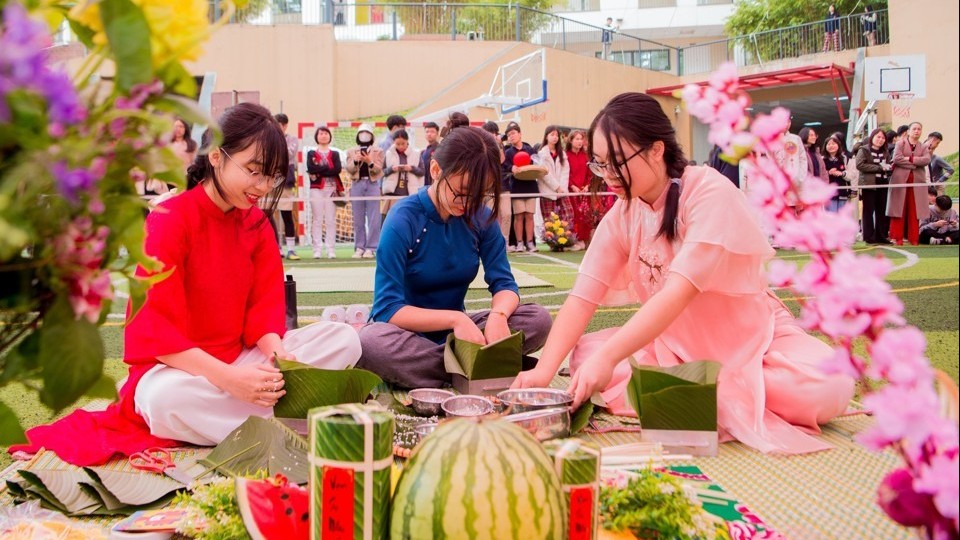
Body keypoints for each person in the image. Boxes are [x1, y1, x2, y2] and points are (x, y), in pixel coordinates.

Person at [9, 103, 362, 465]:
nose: (262, 186)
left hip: (241, 361)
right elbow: (157, 336)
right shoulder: (170, 219)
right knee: (163, 401)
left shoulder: (256, 224)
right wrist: (230, 380)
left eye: (270, 176)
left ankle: (253, 418)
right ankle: (284, 417)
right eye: (254, 171)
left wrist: (278, 355)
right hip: (179, 372)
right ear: (215, 156)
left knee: (343, 340)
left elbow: (264, 310)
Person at [511, 93, 854, 455]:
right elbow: (582, 298)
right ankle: (694, 392)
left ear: (656, 150)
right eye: (600, 164)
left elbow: (678, 292)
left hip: (754, 342)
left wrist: (610, 358)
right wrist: (544, 372)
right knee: (585, 357)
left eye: (616, 163)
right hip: (671, 349)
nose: (608, 175)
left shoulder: (707, 192)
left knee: (831, 385)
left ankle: (692, 394)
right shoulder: (623, 214)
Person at [356, 127, 552, 388]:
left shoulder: (480, 216)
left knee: (538, 319)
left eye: (479, 194)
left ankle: (455, 366)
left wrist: (498, 316)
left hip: (458, 335)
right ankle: (475, 364)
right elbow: (387, 309)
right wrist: (456, 319)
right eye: (461, 192)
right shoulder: (403, 218)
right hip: (406, 333)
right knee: (370, 343)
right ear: (436, 171)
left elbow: (505, 284)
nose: (468, 202)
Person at [888, 122, 931, 246]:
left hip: (917, 182)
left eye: (919, 129)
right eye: (914, 129)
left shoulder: (923, 146)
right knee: (898, 209)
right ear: (909, 131)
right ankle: (897, 237)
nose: (917, 131)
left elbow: (926, 160)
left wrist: (910, 159)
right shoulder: (900, 143)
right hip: (900, 180)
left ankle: (914, 238)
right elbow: (896, 159)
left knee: (915, 210)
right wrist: (915, 163)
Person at [345, 124, 385, 258]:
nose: (364, 135)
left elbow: (379, 169)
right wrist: (356, 161)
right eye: (361, 132)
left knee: (374, 217)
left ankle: (372, 247)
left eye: (367, 132)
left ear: (372, 135)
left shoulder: (378, 151)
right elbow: (349, 170)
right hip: (357, 184)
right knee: (358, 217)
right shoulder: (351, 151)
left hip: (372, 184)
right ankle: (359, 247)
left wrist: (369, 161)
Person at [305, 126, 343, 259]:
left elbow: (337, 169)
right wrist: (327, 168)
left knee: (331, 220)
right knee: (317, 220)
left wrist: (320, 170)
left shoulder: (335, 154)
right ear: (317, 136)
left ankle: (331, 249)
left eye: (326, 133)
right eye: (321, 133)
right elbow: (310, 168)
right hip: (316, 189)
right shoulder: (311, 153)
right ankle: (317, 249)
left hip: (332, 189)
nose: (323, 135)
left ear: (329, 136)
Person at [503, 122, 538, 252]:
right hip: (516, 186)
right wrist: (512, 167)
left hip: (531, 186)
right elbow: (505, 167)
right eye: (508, 135)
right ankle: (519, 243)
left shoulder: (530, 150)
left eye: (513, 133)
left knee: (529, 215)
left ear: (520, 134)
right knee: (519, 216)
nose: (511, 136)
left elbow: (537, 163)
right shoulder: (508, 153)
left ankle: (530, 243)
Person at [856, 128, 893, 244]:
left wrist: (888, 168)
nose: (880, 140)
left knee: (881, 211)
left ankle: (881, 235)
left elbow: (888, 164)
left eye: (883, 138)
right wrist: (878, 168)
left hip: (883, 183)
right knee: (868, 210)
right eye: (878, 137)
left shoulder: (886, 151)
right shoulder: (864, 150)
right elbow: (860, 165)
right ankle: (869, 236)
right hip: (869, 184)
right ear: (872, 137)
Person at [275, 113, 300, 259]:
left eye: (279, 124)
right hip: (269, 181)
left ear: (285, 125)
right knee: (269, 216)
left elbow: (288, 154)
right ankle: (276, 248)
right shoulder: (267, 139)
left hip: (285, 181)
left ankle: (291, 249)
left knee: (287, 214)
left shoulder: (293, 139)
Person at [381, 129, 423, 218]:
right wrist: (392, 169)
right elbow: (382, 172)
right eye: (397, 144)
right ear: (393, 142)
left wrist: (411, 168)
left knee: (408, 217)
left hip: (410, 193)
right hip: (393, 193)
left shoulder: (416, 154)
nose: (400, 146)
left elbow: (422, 172)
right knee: (392, 218)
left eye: (403, 143)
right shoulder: (389, 154)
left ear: (407, 141)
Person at [537, 125, 572, 227]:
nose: (555, 137)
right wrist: (557, 187)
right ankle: (553, 242)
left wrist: (562, 188)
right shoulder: (542, 154)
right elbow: (544, 173)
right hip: (547, 192)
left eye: (557, 135)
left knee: (567, 216)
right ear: (546, 136)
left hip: (562, 192)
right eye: (552, 134)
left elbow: (565, 172)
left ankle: (566, 242)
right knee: (550, 222)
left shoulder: (563, 154)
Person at [566, 129, 593, 249]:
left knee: (586, 216)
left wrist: (587, 185)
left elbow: (590, 173)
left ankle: (585, 240)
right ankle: (575, 240)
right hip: (572, 192)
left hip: (584, 192)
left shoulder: (586, 156)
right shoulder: (566, 156)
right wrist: (572, 186)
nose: (579, 142)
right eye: (577, 139)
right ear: (571, 140)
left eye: (581, 139)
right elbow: (566, 174)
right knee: (574, 215)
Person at [822, 133, 850, 212]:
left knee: (842, 216)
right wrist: (828, 172)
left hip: (842, 191)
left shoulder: (844, 158)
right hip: (829, 193)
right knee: (831, 215)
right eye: (829, 144)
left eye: (834, 143)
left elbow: (852, 174)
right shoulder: (822, 159)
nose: (831, 146)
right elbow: (820, 175)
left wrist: (842, 173)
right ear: (825, 146)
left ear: (838, 145)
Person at [419, 121, 441, 186]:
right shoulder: (423, 151)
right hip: (423, 184)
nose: (429, 134)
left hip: (433, 184)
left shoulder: (439, 149)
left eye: (432, 132)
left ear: (437, 134)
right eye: (427, 132)